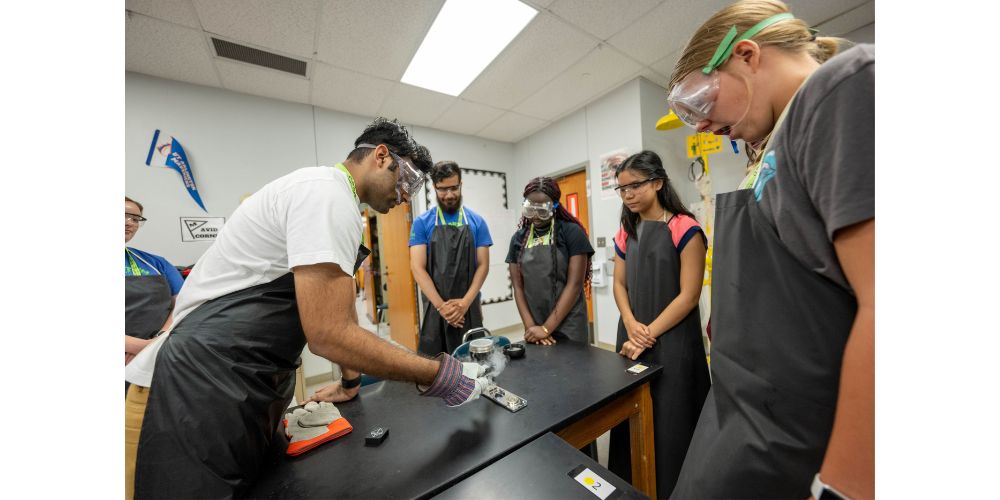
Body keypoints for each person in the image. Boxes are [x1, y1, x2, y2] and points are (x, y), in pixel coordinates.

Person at [124, 118, 491, 499]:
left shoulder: (335, 199)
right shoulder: (325, 194)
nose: (405, 196)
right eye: (409, 180)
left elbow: (341, 316)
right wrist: (437, 374)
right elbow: (330, 335)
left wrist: (350, 383)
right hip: (191, 390)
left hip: (233, 382)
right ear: (381, 156)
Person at [665, 1, 874, 498]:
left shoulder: (841, 87)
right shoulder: (768, 152)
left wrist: (841, 488)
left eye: (699, 100)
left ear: (746, 55)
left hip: (798, 434)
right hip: (746, 415)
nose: (701, 126)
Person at [606, 151, 710, 498]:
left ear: (658, 183)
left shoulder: (685, 227)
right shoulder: (627, 230)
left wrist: (647, 332)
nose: (628, 195)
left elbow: (688, 296)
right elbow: (620, 284)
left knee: (671, 417)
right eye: (622, 189)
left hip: (673, 338)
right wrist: (632, 324)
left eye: (634, 186)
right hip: (632, 335)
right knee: (633, 410)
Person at [409, 161, 493, 355]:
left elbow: (483, 265)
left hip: (469, 307)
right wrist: (442, 307)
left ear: (461, 184)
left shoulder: (477, 222)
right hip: (436, 309)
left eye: (454, 188)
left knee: (474, 366)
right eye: (443, 189)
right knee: (436, 370)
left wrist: (464, 303)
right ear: (434, 188)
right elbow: (417, 268)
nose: (449, 195)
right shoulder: (422, 223)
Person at [506, 176, 594, 345]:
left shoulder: (571, 232)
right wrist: (531, 327)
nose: (536, 216)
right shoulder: (518, 238)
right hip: (535, 321)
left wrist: (546, 328)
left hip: (569, 321)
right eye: (530, 208)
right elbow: (518, 287)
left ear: (554, 206)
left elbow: (574, 285)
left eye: (542, 209)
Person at [125, 196, 183, 367]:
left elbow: (183, 304)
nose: (129, 222)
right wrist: (139, 347)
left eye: (135, 219)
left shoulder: (157, 263)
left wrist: (159, 339)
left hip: (157, 353)